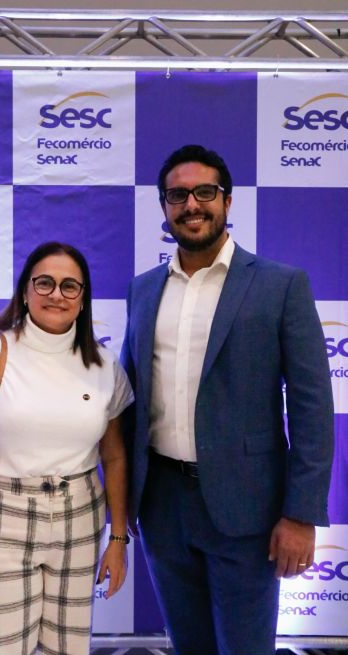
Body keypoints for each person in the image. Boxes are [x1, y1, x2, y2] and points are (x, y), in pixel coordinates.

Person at [121, 145, 334, 655]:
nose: (192, 204)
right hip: (162, 506)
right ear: (164, 206)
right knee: (188, 646)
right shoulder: (143, 291)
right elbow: (130, 397)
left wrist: (301, 514)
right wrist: (124, 495)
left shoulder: (280, 285)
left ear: (227, 201)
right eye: (178, 195)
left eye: (205, 192)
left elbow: (312, 407)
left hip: (249, 511)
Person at [0, 241, 134, 655]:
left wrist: (118, 539)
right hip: (4, 518)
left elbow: (115, 457)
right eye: (45, 283)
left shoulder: (104, 364)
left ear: (83, 298)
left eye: (70, 286)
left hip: (81, 517)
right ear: (26, 290)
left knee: (68, 649)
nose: (56, 295)